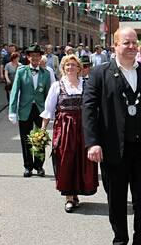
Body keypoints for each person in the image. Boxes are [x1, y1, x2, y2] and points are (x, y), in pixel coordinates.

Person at [82, 27, 141, 245]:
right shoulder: (99, 73)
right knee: (116, 197)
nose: (131, 47)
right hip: (112, 148)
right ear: (114, 45)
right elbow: (89, 110)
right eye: (126, 43)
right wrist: (93, 143)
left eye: (134, 43)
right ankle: (120, 240)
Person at [41, 55, 98, 213]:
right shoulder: (57, 86)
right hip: (64, 129)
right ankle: (69, 197)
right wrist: (42, 130)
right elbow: (48, 110)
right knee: (66, 161)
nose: (70, 68)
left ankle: (77, 193)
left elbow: (94, 108)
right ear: (63, 68)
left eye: (73, 65)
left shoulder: (86, 85)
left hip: (83, 128)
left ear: (79, 68)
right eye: (67, 65)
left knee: (82, 161)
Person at [9, 44, 51, 178]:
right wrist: (12, 111)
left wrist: (50, 112)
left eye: (37, 56)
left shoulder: (46, 73)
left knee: (39, 138)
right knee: (26, 139)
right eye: (32, 56)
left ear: (40, 58)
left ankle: (39, 166)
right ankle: (28, 166)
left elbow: (48, 95)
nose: (35, 58)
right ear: (28, 57)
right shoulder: (21, 71)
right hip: (25, 109)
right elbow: (15, 91)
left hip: (40, 109)